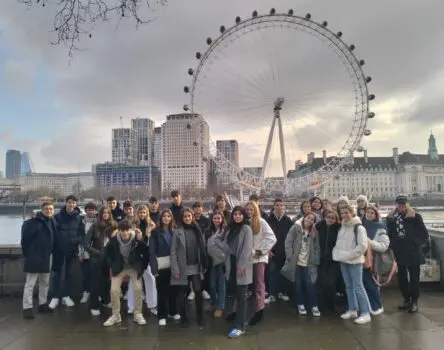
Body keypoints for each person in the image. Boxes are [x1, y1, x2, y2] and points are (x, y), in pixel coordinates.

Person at [386, 195, 428, 314]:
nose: (401, 206)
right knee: (402, 279)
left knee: (414, 279)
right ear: (396, 205)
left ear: (407, 204)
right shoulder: (392, 218)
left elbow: (424, 235)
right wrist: (393, 245)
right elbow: (390, 234)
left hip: (413, 252)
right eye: (399, 204)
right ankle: (406, 299)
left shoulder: (415, 217)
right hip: (399, 252)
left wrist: (414, 244)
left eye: (403, 204)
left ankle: (414, 301)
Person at [103, 220, 148, 327]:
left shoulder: (136, 240)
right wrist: (112, 264)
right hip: (120, 267)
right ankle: (116, 315)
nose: (125, 233)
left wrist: (142, 267)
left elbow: (146, 251)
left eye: (127, 230)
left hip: (133, 267)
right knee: (114, 290)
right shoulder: (114, 240)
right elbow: (107, 254)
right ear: (119, 231)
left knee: (138, 288)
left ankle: (138, 314)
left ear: (130, 230)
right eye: (122, 230)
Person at [333, 204, 372, 324]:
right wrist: (338, 254)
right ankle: (352, 309)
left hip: (354, 261)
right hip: (343, 261)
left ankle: (365, 313)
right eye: (342, 213)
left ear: (352, 213)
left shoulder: (359, 228)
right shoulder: (343, 227)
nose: (344, 215)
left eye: (346, 213)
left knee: (358, 286)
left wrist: (349, 255)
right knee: (348, 286)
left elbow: (363, 246)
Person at [171, 207, 207, 328]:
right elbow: (173, 252)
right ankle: (183, 318)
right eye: (185, 216)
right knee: (181, 293)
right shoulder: (177, 231)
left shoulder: (197, 229)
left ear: (192, 217)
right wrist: (175, 269)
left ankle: (200, 317)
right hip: (182, 267)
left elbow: (202, 247)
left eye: (189, 216)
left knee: (197, 290)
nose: (187, 218)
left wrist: (203, 263)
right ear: (182, 218)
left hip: (195, 266)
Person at [21, 201, 57, 319]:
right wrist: (28, 254)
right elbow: (25, 241)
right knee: (30, 283)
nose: (49, 211)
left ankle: (43, 304)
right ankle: (27, 307)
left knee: (45, 282)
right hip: (34, 256)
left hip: (47, 256)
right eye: (46, 209)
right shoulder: (32, 223)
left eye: (51, 209)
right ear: (41, 210)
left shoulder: (52, 221)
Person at [49, 195, 85, 310]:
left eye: (73, 203)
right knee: (56, 273)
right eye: (69, 202)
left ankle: (66, 296)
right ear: (66, 203)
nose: (71, 205)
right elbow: (54, 233)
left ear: (76, 204)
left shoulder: (78, 218)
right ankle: (55, 297)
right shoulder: (58, 217)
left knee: (69, 273)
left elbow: (81, 233)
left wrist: (77, 242)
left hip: (72, 249)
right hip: (59, 249)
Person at [224, 206, 254, 338]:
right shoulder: (230, 229)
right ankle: (237, 319)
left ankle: (240, 326)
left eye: (240, 214)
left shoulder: (246, 229)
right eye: (235, 214)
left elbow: (247, 249)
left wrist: (241, 266)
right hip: (231, 263)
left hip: (241, 265)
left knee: (242, 296)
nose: (237, 216)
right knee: (235, 294)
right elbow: (226, 245)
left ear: (244, 216)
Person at [244, 201, 276, 325]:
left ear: (256, 210)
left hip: (258, 258)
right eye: (247, 209)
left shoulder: (261, 222)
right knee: (246, 285)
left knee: (259, 285)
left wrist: (261, 251)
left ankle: (259, 311)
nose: (249, 211)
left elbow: (272, 238)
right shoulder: (244, 222)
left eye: (252, 209)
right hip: (246, 258)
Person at [285, 212, 321, 317]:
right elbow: (288, 242)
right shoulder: (295, 228)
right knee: (298, 284)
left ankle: (314, 305)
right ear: (304, 218)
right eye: (308, 218)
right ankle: (300, 304)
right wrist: (290, 256)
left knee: (310, 284)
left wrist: (316, 260)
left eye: (312, 219)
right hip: (296, 261)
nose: (309, 220)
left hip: (309, 262)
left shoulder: (314, 232)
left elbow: (317, 247)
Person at [84, 206, 116, 316]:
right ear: (100, 214)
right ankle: (94, 305)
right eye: (104, 213)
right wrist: (96, 252)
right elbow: (86, 244)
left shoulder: (114, 226)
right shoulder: (95, 226)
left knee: (107, 282)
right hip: (97, 259)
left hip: (109, 259)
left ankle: (105, 301)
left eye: (108, 212)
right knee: (95, 283)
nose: (105, 214)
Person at [149, 209, 180, 326]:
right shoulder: (155, 232)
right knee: (162, 291)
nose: (166, 218)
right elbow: (152, 251)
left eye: (168, 216)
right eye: (164, 216)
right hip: (161, 264)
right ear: (160, 218)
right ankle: (162, 315)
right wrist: (154, 269)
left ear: (171, 218)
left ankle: (173, 311)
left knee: (173, 290)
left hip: (174, 264)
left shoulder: (175, 231)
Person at [127, 205, 158, 316]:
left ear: (147, 213)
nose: (142, 215)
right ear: (137, 213)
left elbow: (152, 243)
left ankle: (153, 305)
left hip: (147, 257)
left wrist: (149, 233)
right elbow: (130, 243)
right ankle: (131, 306)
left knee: (151, 280)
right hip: (136, 258)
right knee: (133, 282)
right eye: (140, 213)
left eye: (144, 212)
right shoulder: (133, 226)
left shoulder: (152, 225)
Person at [362, 206, 389, 316]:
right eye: (367, 212)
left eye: (372, 213)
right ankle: (367, 305)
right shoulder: (361, 226)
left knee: (371, 284)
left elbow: (384, 246)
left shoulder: (380, 228)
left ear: (376, 215)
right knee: (363, 284)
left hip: (373, 260)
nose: (369, 214)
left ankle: (377, 306)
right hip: (360, 260)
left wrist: (369, 242)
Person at [265, 199, 293, 304]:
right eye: (277, 205)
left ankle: (283, 292)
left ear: (284, 207)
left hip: (285, 252)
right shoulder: (268, 220)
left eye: (282, 205)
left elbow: (291, 238)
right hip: (273, 252)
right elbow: (265, 237)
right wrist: (268, 250)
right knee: (272, 273)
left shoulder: (288, 221)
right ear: (274, 207)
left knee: (284, 273)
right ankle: (272, 294)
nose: (280, 207)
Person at [316, 210, 341, 313]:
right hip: (321, 259)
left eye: (332, 218)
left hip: (333, 260)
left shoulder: (338, 228)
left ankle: (332, 305)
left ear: (336, 220)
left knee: (330, 283)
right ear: (325, 217)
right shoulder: (319, 226)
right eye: (328, 217)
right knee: (321, 283)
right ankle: (322, 306)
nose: (330, 219)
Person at [206, 210, 227, 318]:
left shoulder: (225, 231)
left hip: (222, 261)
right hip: (212, 262)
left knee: (221, 285)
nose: (217, 220)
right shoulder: (209, 231)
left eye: (219, 218)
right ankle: (213, 302)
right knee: (212, 285)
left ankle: (220, 306)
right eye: (215, 218)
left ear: (222, 219)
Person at [79, 202, 98, 305]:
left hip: (95, 252)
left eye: (93, 209)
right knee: (85, 274)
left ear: (95, 211)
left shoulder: (98, 222)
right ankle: (86, 292)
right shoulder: (81, 222)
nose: (91, 211)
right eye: (89, 210)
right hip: (84, 251)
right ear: (86, 211)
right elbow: (80, 238)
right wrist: (80, 252)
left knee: (95, 274)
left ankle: (96, 293)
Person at [193, 201, 211, 301]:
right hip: (193, 248)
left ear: (202, 209)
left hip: (204, 247)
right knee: (194, 270)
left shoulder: (206, 220)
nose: (197, 209)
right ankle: (193, 291)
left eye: (199, 207)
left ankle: (203, 290)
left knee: (203, 271)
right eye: (195, 207)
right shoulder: (191, 219)